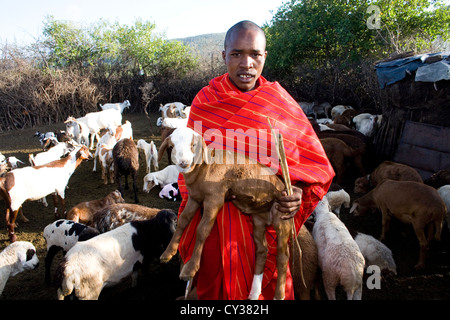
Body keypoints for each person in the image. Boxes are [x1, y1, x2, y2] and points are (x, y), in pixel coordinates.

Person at [176, 20, 334, 300]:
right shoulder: (205, 102)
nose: (246, 63)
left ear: (264, 57)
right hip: (215, 224)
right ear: (224, 56)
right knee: (212, 292)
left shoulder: (280, 103)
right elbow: (189, 165)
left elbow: (311, 164)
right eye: (236, 54)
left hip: (266, 218)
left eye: (254, 54)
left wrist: (295, 192)